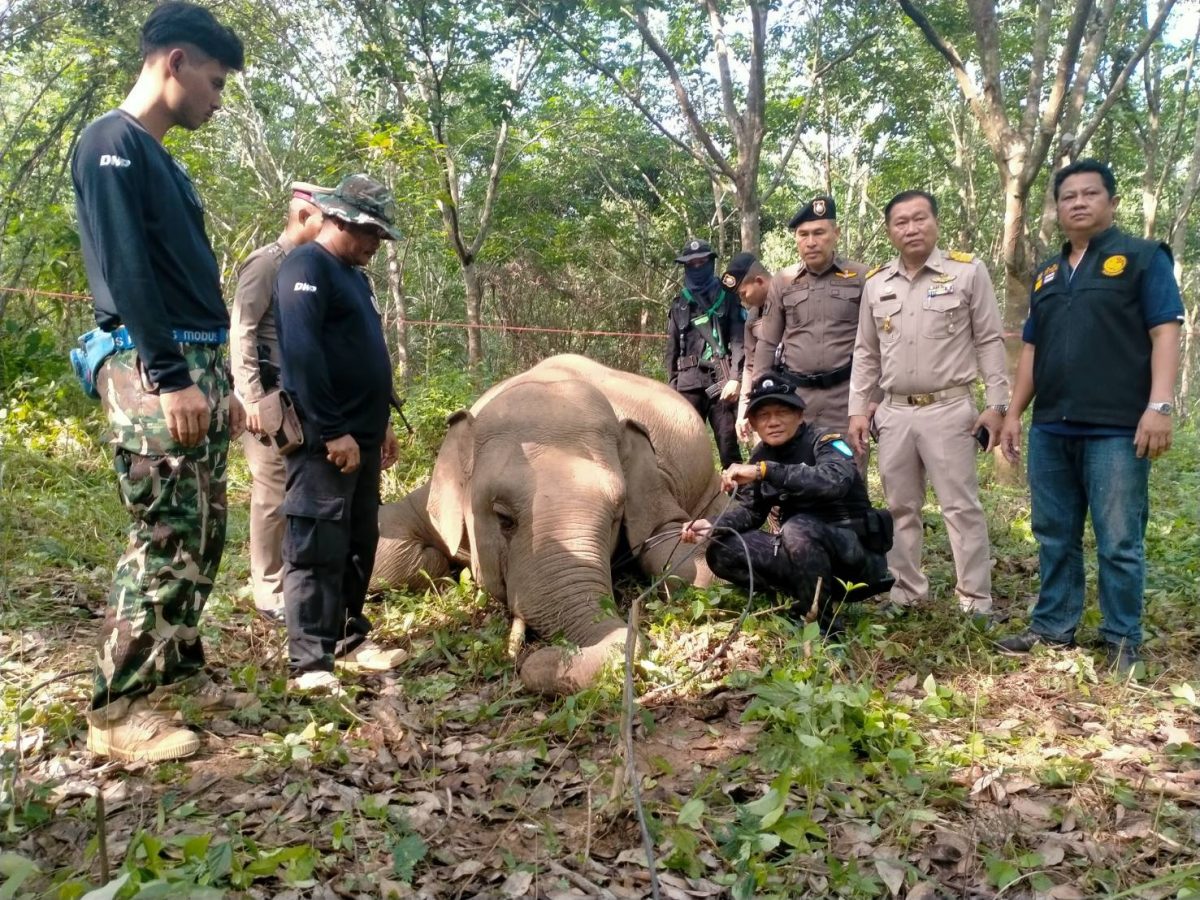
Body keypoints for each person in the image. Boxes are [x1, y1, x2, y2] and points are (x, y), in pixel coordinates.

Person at [71, 2, 248, 762]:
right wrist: (172, 376)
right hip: (155, 366)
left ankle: (173, 668)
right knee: (166, 532)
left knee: (204, 530)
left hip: (198, 362)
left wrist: (226, 378)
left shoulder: (164, 160)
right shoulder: (110, 144)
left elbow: (191, 280)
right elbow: (130, 272)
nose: (217, 98)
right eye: (213, 81)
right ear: (173, 61)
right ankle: (117, 711)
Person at [997, 159, 1184, 675]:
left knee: (1119, 538)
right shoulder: (1047, 273)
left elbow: (1165, 331)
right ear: (1056, 208)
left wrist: (1159, 405)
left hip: (1117, 426)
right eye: (1067, 197)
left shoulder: (1143, 258)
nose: (1078, 203)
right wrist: (1015, 414)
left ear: (1111, 201)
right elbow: (1032, 349)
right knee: (1053, 531)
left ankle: (1123, 638)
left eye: (1089, 194)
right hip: (1052, 426)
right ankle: (1053, 626)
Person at [847, 190, 1009, 615]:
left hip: (949, 408)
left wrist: (997, 403)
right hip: (895, 411)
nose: (911, 228)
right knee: (900, 507)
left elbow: (989, 339)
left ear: (935, 223)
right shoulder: (877, 282)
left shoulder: (967, 272)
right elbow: (866, 352)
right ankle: (906, 592)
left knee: (961, 507)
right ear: (889, 231)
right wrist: (858, 410)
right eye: (901, 222)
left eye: (919, 219)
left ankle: (975, 601)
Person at [275, 173, 404, 695]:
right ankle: (309, 662)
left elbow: (365, 354)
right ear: (340, 219)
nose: (376, 244)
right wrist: (333, 430)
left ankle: (348, 640)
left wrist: (381, 424)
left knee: (357, 541)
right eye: (371, 232)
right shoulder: (306, 266)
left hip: (364, 437)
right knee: (317, 543)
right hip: (325, 442)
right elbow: (303, 355)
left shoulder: (356, 276)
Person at [681, 371, 894, 633]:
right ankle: (801, 599)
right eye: (763, 416)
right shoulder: (761, 454)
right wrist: (711, 525)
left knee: (796, 528)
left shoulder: (825, 441)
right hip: (802, 554)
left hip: (855, 558)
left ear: (799, 414)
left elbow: (834, 481)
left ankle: (827, 630)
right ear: (754, 424)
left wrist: (766, 471)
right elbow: (750, 511)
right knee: (722, 549)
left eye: (781, 412)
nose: (773, 422)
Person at [230, 182, 328, 623]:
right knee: (271, 493)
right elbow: (243, 328)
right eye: (327, 218)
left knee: (297, 490)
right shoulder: (267, 263)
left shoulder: (315, 267)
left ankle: (293, 577)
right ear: (304, 216)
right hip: (268, 398)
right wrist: (249, 395)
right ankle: (267, 588)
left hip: (302, 400)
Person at [752, 196, 869, 433]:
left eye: (819, 233)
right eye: (803, 234)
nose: (811, 242)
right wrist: (758, 395)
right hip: (795, 399)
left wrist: (871, 398)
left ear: (836, 233)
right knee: (796, 468)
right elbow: (767, 342)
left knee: (847, 467)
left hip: (847, 398)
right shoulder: (783, 282)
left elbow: (876, 346)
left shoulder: (862, 277)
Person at [666, 238, 745, 468]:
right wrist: (671, 386)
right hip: (687, 385)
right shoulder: (680, 303)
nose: (697, 268)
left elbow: (739, 341)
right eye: (692, 264)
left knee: (728, 447)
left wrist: (735, 378)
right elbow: (671, 348)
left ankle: (740, 498)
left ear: (711, 263)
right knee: (683, 450)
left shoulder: (728, 296)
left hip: (721, 384)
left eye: (702, 262)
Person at [719, 252, 772, 442]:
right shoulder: (752, 317)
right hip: (764, 404)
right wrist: (743, 412)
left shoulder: (791, 304)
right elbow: (750, 366)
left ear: (759, 281)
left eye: (744, 293)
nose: (744, 301)